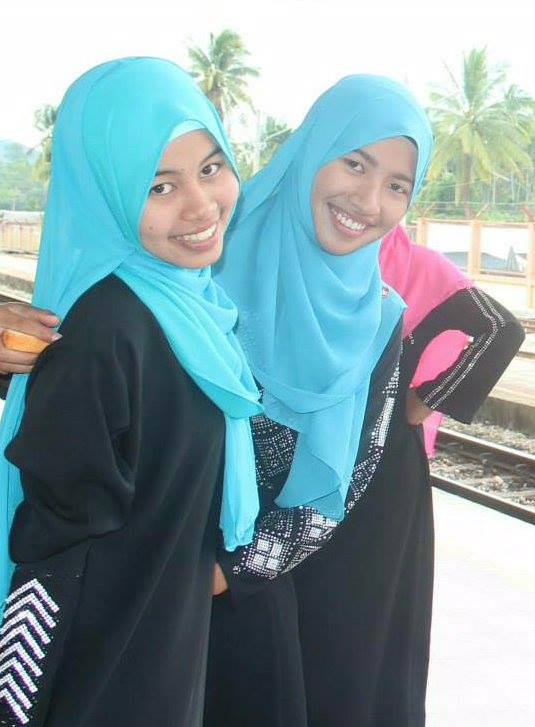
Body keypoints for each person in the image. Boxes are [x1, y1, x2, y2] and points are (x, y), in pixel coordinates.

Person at [0, 57, 262, 727]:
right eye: (159, 186)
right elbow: (52, 551)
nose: (200, 205)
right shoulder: (104, 334)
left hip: (164, 644)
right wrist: (16, 704)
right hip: (103, 672)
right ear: (106, 192)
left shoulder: (195, 308)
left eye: (210, 168)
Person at [204, 75, 434, 726]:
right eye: (354, 163)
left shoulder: (380, 320)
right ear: (310, 150)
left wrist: (227, 572)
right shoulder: (203, 264)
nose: (368, 200)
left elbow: (347, 479)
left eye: (397, 185)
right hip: (143, 571)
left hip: (245, 598)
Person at [292, 223, 525, 726]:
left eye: (395, 187)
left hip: (379, 470)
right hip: (317, 460)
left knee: (363, 618)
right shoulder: (301, 251)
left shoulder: (414, 264)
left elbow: (501, 330)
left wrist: (421, 401)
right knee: (320, 615)